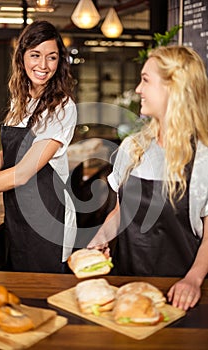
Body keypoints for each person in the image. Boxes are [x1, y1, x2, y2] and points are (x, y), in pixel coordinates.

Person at [88, 45, 208, 311]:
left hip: (180, 294)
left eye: (145, 80)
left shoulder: (204, 159)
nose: (139, 89)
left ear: (174, 88)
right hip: (125, 288)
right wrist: (101, 237)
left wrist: (193, 279)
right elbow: (120, 213)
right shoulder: (132, 148)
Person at [0, 20, 77, 273]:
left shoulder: (62, 108)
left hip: (48, 217)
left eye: (51, 57)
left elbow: (22, 172)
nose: (43, 66)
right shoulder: (20, 99)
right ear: (21, 57)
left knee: (43, 292)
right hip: (18, 211)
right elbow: (13, 153)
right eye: (35, 55)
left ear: (59, 61)